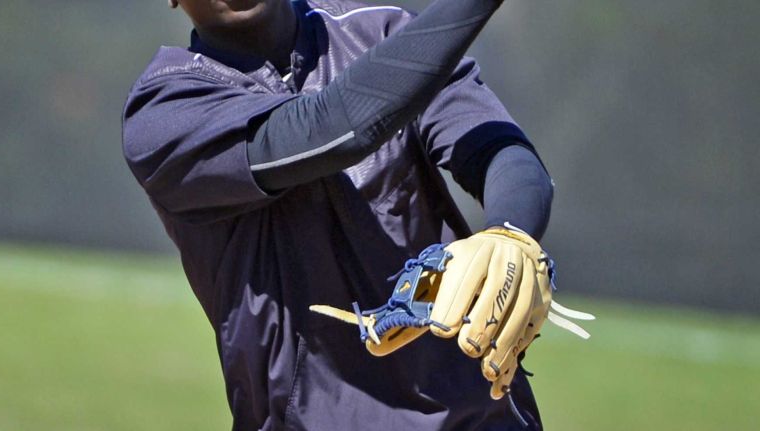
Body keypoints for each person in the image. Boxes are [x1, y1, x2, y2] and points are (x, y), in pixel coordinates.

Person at [122, 0, 556, 429]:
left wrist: (510, 232)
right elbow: (337, 126)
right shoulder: (164, 111)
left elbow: (501, 151)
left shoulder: (379, 33)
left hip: (481, 416)